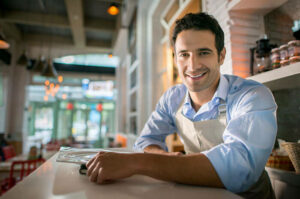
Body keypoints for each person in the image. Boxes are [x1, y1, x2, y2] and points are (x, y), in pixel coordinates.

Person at [86, 12, 277, 199]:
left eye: (203, 52)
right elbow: (145, 140)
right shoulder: (172, 97)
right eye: (184, 54)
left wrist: (138, 162)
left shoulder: (252, 96)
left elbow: (238, 168)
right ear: (175, 58)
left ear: (221, 56)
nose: (192, 66)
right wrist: (168, 159)